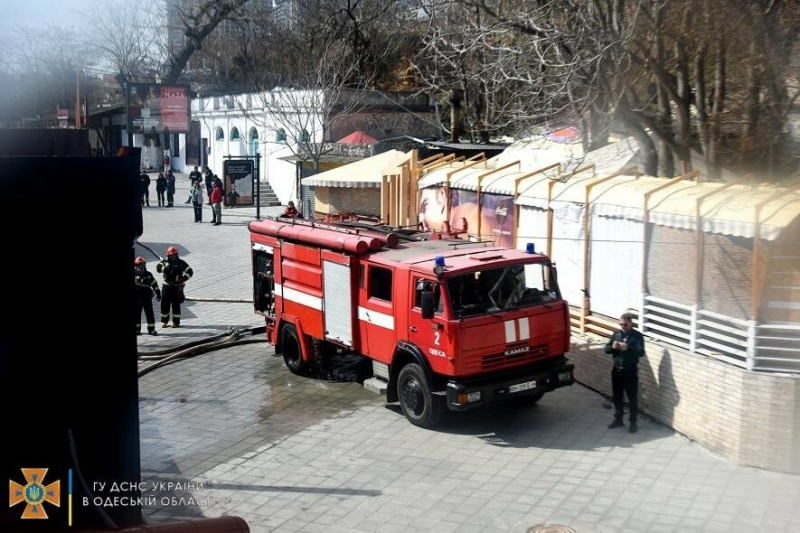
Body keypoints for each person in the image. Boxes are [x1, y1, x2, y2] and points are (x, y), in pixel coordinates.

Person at [605, 312, 646, 433]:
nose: (623, 326)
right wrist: (612, 346)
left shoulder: (637, 336)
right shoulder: (616, 334)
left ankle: (633, 422)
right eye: (621, 324)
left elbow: (641, 353)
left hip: (630, 371)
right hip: (617, 370)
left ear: (631, 323)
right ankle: (618, 420)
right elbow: (606, 350)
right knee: (617, 397)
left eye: (625, 324)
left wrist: (628, 348)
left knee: (632, 398)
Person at [156, 246, 193, 328]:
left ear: (177, 254)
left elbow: (190, 271)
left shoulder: (181, 263)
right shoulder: (165, 262)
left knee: (176, 305)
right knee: (165, 305)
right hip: (167, 286)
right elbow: (158, 268)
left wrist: (183, 279)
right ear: (168, 256)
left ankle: (176, 322)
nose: (173, 257)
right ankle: (164, 322)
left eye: (174, 255)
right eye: (171, 255)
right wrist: (164, 268)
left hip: (177, 287)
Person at [134, 256, 161, 336]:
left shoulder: (148, 274)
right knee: (137, 314)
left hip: (147, 298)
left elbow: (154, 284)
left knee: (150, 314)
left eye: (143, 265)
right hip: (137, 299)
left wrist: (158, 292)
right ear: (136, 266)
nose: (141, 267)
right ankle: (137, 330)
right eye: (139, 265)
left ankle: (151, 329)